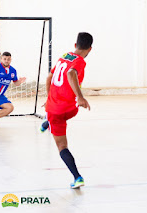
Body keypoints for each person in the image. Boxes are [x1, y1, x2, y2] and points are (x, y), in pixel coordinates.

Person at [40, 32, 93, 188]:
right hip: (71, 108)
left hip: (55, 110)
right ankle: (46, 122)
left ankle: (77, 178)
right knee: (55, 117)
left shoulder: (64, 56)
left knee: (62, 146)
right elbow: (71, 73)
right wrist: (79, 99)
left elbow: (52, 77)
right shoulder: (81, 61)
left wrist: (49, 96)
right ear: (90, 49)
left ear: (75, 45)